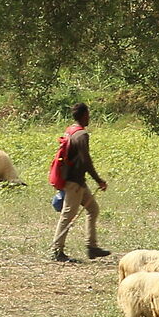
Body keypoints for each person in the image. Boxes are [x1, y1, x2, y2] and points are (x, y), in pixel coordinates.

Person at [48, 102, 110, 262]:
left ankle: (92, 247)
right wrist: (98, 180)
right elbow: (85, 160)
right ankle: (56, 250)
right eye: (88, 114)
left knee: (93, 209)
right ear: (84, 115)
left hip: (76, 181)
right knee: (67, 215)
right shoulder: (81, 135)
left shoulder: (70, 130)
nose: (89, 117)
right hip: (74, 183)